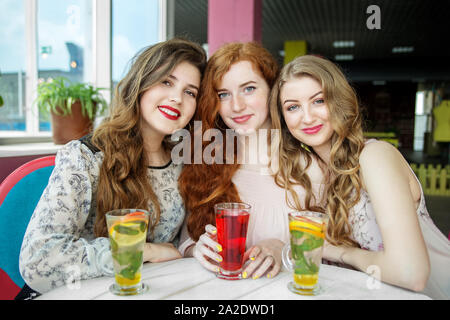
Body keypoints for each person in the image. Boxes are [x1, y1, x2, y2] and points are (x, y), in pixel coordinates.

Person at [18, 38, 207, 295]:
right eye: (166, 82)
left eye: (190, 92)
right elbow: (37, 260)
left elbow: (178, 247)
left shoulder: (183, 163)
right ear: (139, 85)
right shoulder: (86, 157)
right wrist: (142, 250)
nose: (177, 98)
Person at [269, 54, 450, 299]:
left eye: (319, 101)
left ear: (338, 101)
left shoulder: (375, 156)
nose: (308, 117)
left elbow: (412, 275)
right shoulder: (314, 172)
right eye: (293, 107)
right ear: (282, 118)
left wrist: (337, 252)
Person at [177, 42, 324, 280]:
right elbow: (186, 240)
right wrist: (198, 249)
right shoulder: (206, 164)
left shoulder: (312, 168)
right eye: (223, 94)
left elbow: (332, 254)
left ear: (273, 90)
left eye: (249, 89)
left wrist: (283, 249)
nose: (236, 106)